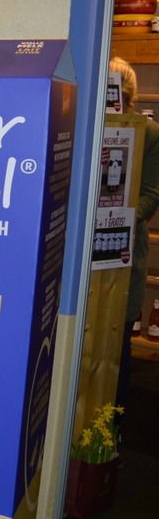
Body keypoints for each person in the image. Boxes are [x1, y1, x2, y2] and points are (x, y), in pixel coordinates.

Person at [110, 57, 159, 416]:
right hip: (80, 247)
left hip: (124, 247)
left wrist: (118, 221)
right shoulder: (86, 123)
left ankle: (113, 420)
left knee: (119, 340)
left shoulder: (149, 133)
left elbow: (152, 193)